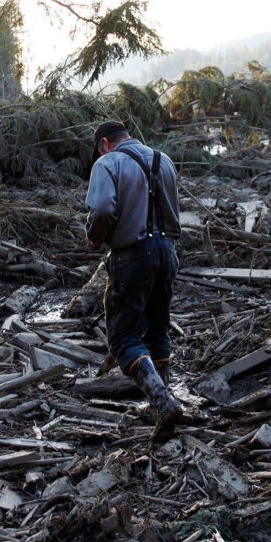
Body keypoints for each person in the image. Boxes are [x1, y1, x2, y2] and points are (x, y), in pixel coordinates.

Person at [85, 120, 183, 434]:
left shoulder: (107, 162)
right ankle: (164, 395)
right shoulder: (163, 159)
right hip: (167, 252)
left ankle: (161, 401)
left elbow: (101, 209)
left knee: (124, 338)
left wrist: (95, 236)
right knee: (158, 328)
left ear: (103, 144)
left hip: (133, 256)